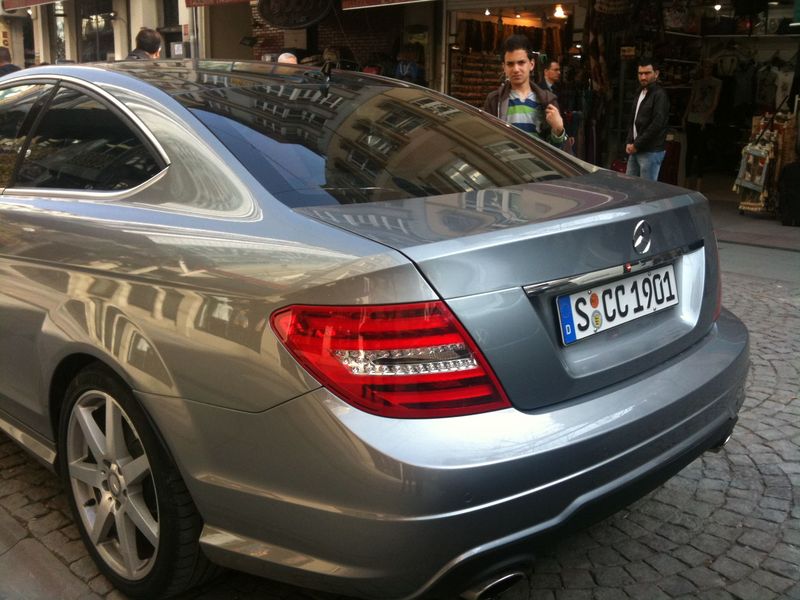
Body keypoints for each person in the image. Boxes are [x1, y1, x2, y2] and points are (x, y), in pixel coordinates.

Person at [483, 35, 567, 148]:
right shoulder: (494, 100)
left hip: (536, 165)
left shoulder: (548, 101)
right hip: (504, 164)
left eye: (521, 62)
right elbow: (486, 141)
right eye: (510, 64)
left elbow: (555, 151)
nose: (516, 69)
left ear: (531, 64)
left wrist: (558, 129)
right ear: (504, 67)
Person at [625, 56, 669, 181]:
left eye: (647, 73)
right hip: (636, 148)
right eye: (640, 73)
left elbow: (657, 124)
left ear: (656, 74)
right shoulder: (640, 92)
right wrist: (629, 141)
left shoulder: (660, 94)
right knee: (629, 187)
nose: (643, 77)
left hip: (650, 150)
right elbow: (633, 120)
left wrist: (636, 144)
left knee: (646, 192)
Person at [683, 60, 721, 191]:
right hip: (693, 117)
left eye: (710, 66)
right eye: (706, 66)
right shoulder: (697, 82)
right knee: (690, 151)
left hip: (705, 119)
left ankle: (699, 183)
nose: (707, 69)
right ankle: (687, 181)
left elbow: (715, 102)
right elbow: (692, 99)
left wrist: (706, 116)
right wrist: (685, 116)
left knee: (700, 151)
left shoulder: (716, 83)